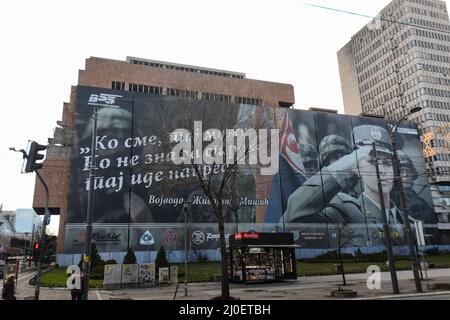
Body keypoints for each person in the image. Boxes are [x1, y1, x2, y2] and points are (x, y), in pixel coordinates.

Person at [282, 124, 406, 246]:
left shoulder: (408, 219)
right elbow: (292, 223)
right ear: (357, 166)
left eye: (387, 163)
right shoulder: (343, 209)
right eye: (373, 162)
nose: (382, 170)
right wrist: (344, 165)